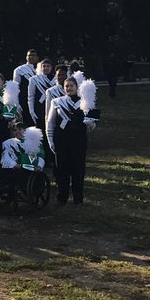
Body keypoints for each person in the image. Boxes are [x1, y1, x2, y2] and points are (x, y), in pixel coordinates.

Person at [46, 76, 98, 205]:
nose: (69, 88)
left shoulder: (86, 102)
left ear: (77, 87)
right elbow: (50, 122)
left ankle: (78, 198)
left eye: (71, 86)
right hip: (61, 140)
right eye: (66, 86)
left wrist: (89, 123)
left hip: (78, 140)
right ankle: (61, 197)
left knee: (78, 170)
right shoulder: (56, 101)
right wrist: (50, 140)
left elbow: (93, 126)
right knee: (62, 170)